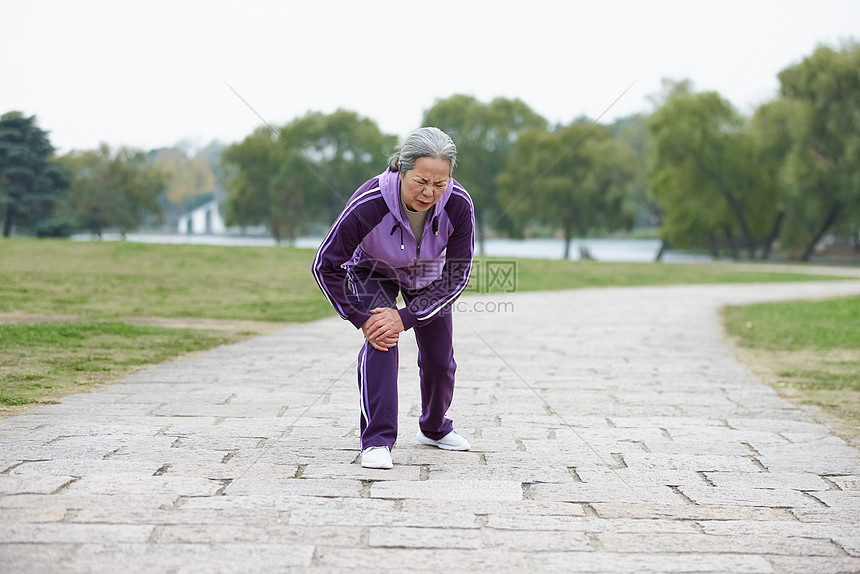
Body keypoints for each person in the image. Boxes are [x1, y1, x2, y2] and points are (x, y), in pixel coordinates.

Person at [312, 127, 474, 469]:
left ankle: (433, 427)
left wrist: (407, 316)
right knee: (382, 338)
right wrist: (362, 318)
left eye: (439, 183)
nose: (429, 192)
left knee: (439, 359)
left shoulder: (458, 204)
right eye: (420, 181)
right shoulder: (368, 203)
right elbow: (325, 264)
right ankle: (377, 440)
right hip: (374, 270)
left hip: (428, 274)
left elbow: (457, 275)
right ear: (401, 167)